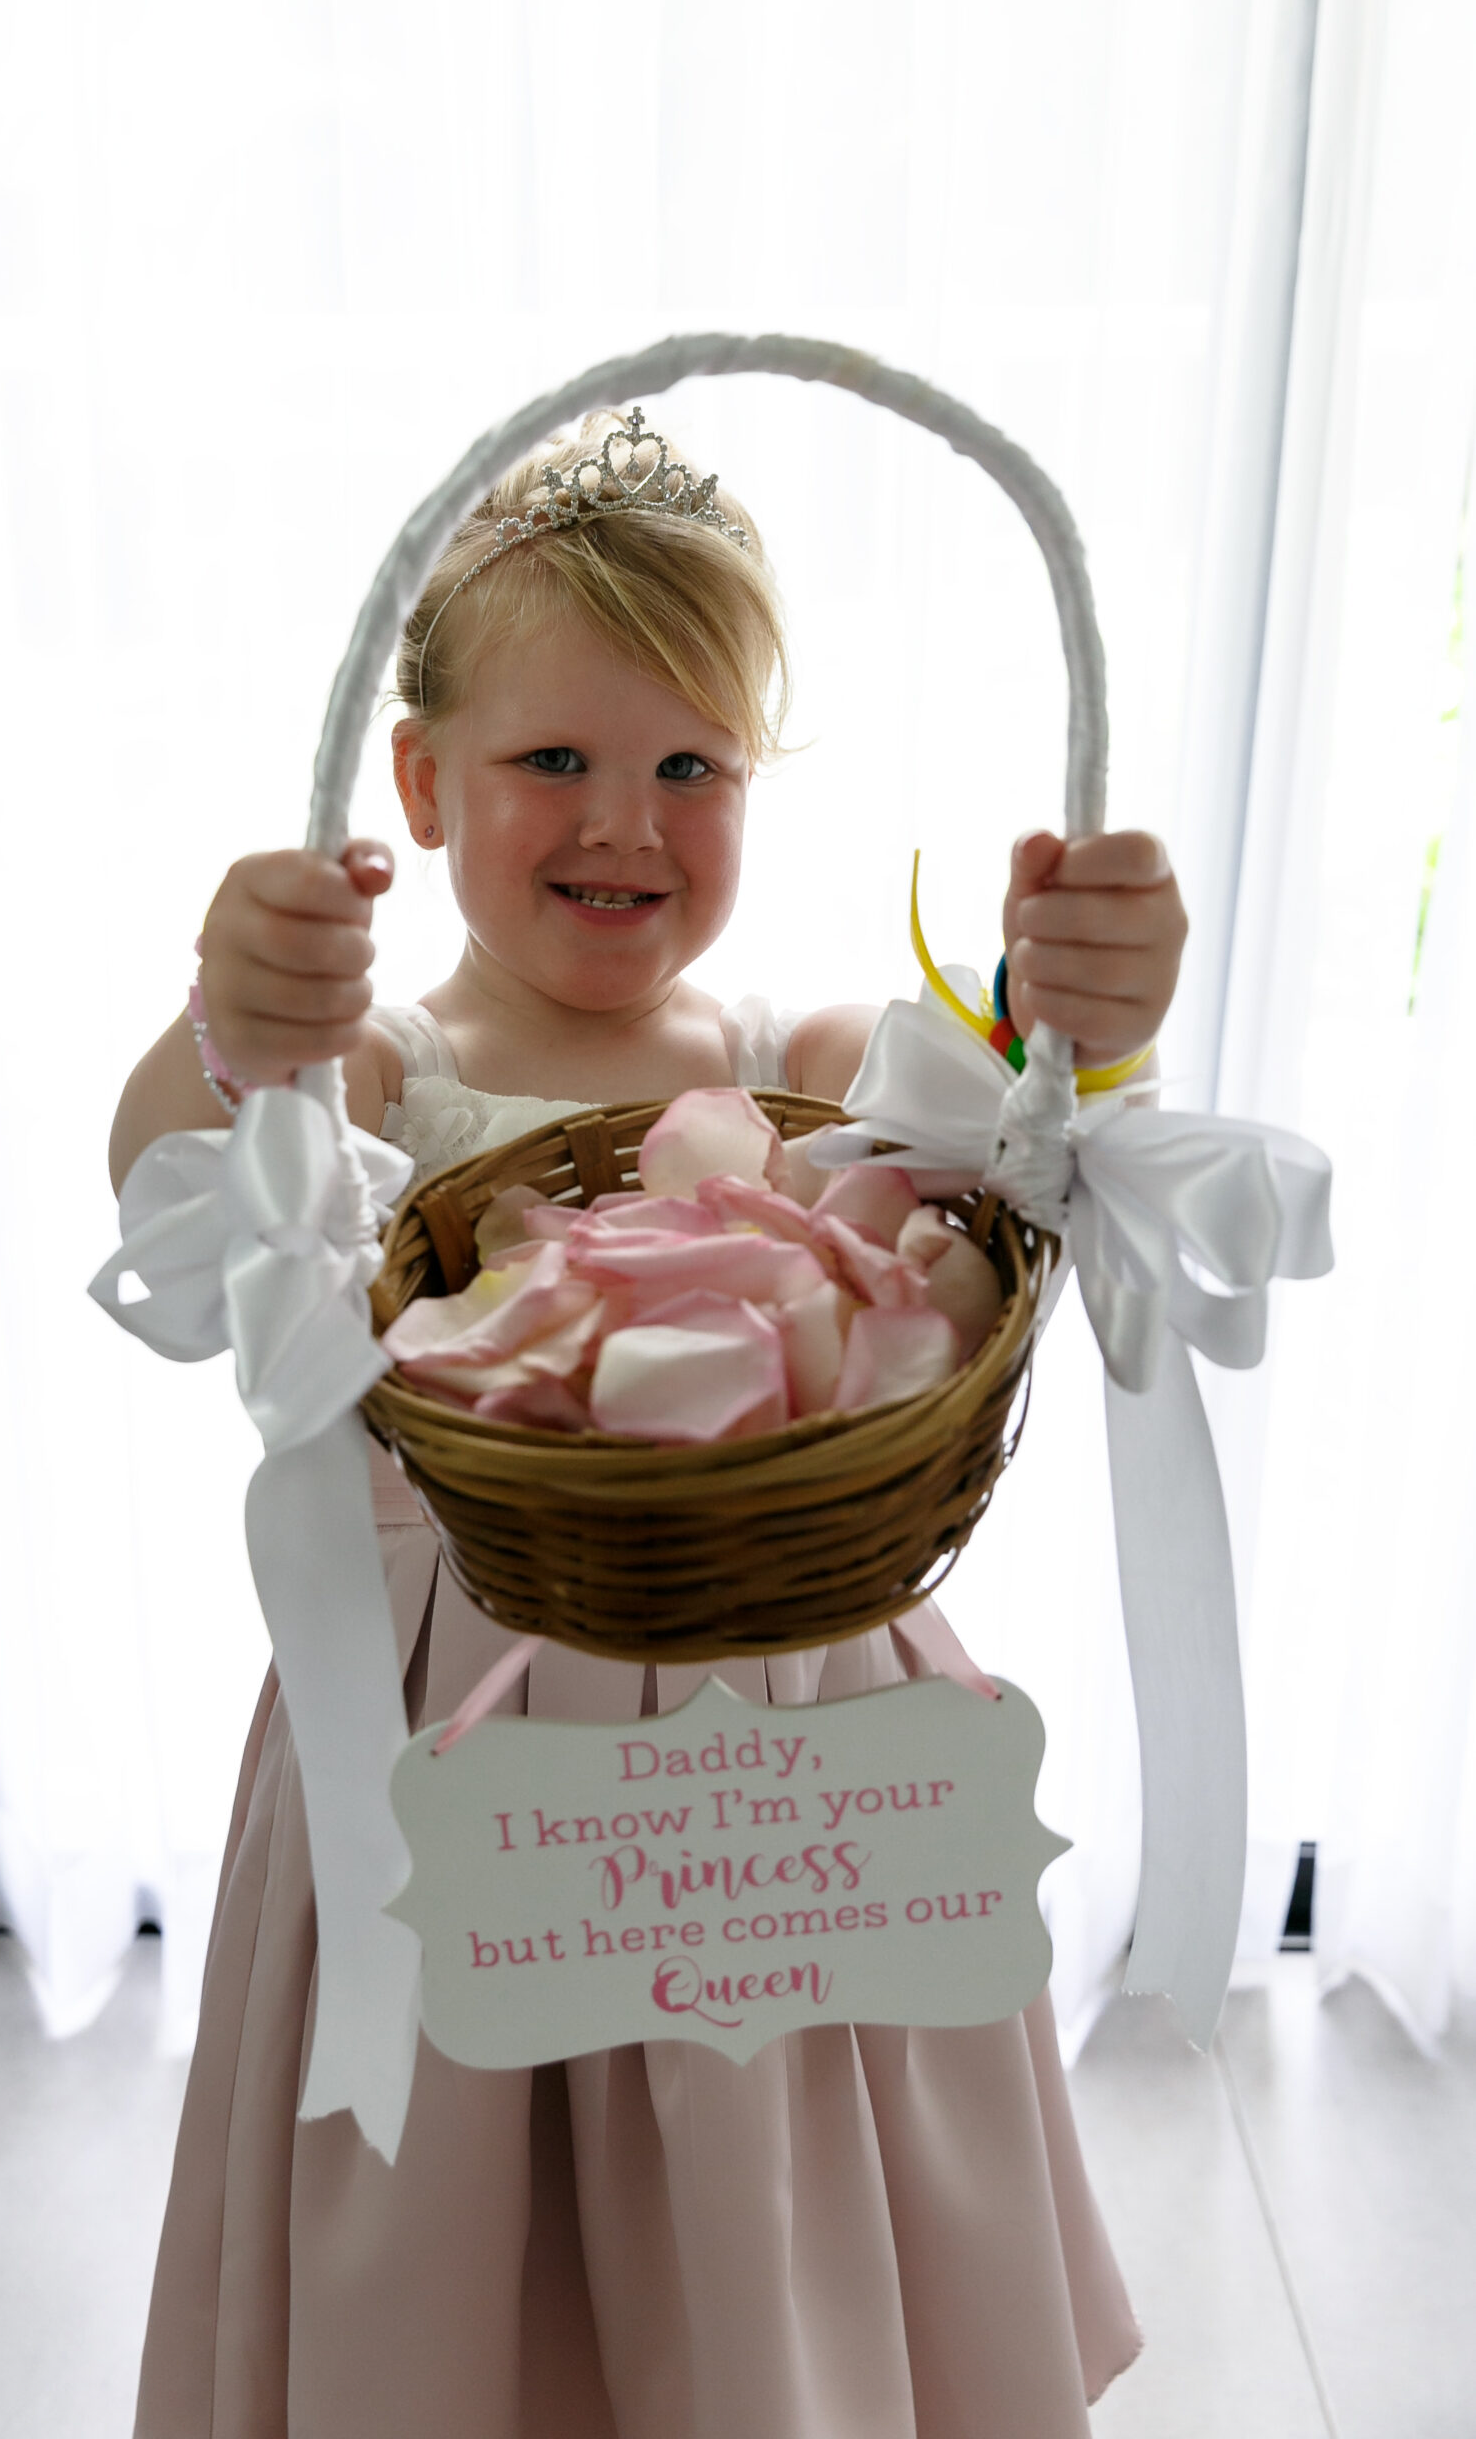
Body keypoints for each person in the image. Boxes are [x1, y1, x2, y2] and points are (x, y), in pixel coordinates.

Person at [110, 410, 1186, 2439]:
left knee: (764, 2190)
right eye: (554, 761)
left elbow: (998, 1135)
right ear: (422, 783)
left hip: (783, 1739)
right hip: (458, 1720)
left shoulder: (775, 1055)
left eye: (689, 764)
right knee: (457, 2225)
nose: (625, 819)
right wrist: (228, 1031)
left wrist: (1082, 1022)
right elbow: (177, 1189)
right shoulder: (379, 1065)